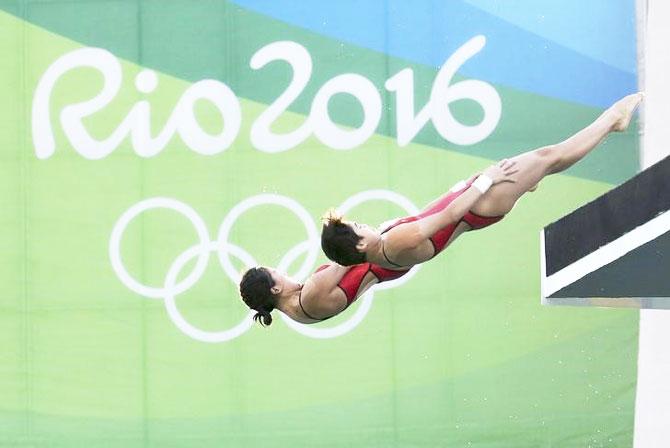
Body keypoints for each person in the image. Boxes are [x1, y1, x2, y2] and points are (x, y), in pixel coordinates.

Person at [239, 93, 644, 326]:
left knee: (543, 164)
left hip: (447, 217)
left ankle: (608, 124)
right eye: (278, 273)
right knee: (548, 157)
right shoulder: (319, 289)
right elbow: (440, 222)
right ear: (274, 288)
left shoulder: (301, 314)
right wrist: (484, 181)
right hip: (471, 208)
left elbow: (361, 259)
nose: (285, 271)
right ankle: (612, 120)